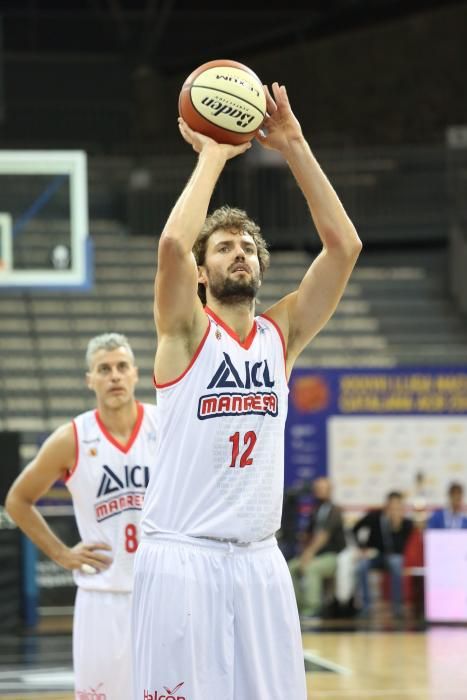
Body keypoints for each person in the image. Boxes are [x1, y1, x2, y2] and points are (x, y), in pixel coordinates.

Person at [132, 81, 362, 699]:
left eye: (248, 248)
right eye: (225, 247)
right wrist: (212, 153)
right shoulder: (184, 332)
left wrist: (293, 144)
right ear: (203, 273)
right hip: (183, 558)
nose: (240, 254)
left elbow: (344, 248)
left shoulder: (279, 334)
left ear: (261, 266)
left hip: (261, 562)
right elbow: (172, 246)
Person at [5, 332, 158, 700]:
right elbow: (18, 500)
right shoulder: (72, 438)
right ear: (90, 379)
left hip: (159, 588)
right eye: (104, 369)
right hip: (101, 594)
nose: (115, 376)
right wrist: (62, 554)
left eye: (122, 367)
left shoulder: (164, 424)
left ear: (136, 373)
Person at [288, 477, 347, 618]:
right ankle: (299, 607)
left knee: (310, 568)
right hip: (314, 555)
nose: (319, 491)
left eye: (323, 488)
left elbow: (323, 535)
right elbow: (308, 534)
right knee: (291, 567)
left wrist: (308, 554)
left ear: (330, 490)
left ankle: (312, 608)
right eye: (317, 488)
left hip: (332, 556)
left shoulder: (335, 510)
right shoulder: (316, 509)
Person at [352, 491, 414, 619]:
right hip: (375, 555)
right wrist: (362, 547)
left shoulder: (406, 523)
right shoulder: (375, 516)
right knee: (361, 566)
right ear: (387, 504)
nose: (395, 508)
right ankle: (365, 607)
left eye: (398, 505)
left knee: (397, 563)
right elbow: (356, 528)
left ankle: (397, 608)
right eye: (393, 505)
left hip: (393, 556)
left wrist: (396, 526)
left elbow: (400, 548)